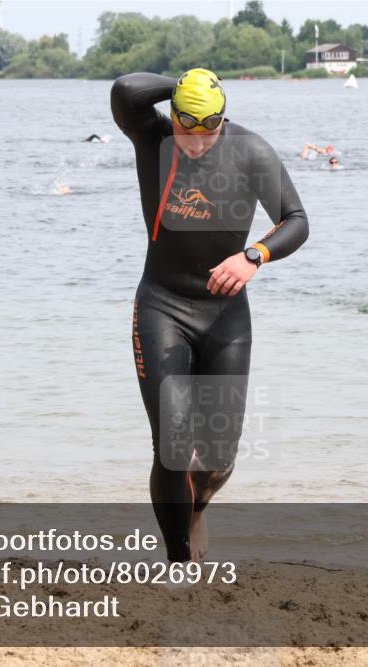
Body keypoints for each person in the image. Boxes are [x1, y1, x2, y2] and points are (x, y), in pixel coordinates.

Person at [112, 68, 309, 563]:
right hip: (162, 306)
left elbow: (296, 220)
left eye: (209, 131)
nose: (197, 144)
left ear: (223, 119)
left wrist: (255, 256)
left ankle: (198, 509)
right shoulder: (154, 138)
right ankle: (177, 559)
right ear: (173, 116)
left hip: (225, 316)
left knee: (219, 456)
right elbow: (125, 91)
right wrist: (186, 83)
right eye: (187, 130)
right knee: (173, 444)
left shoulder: (249, 151)